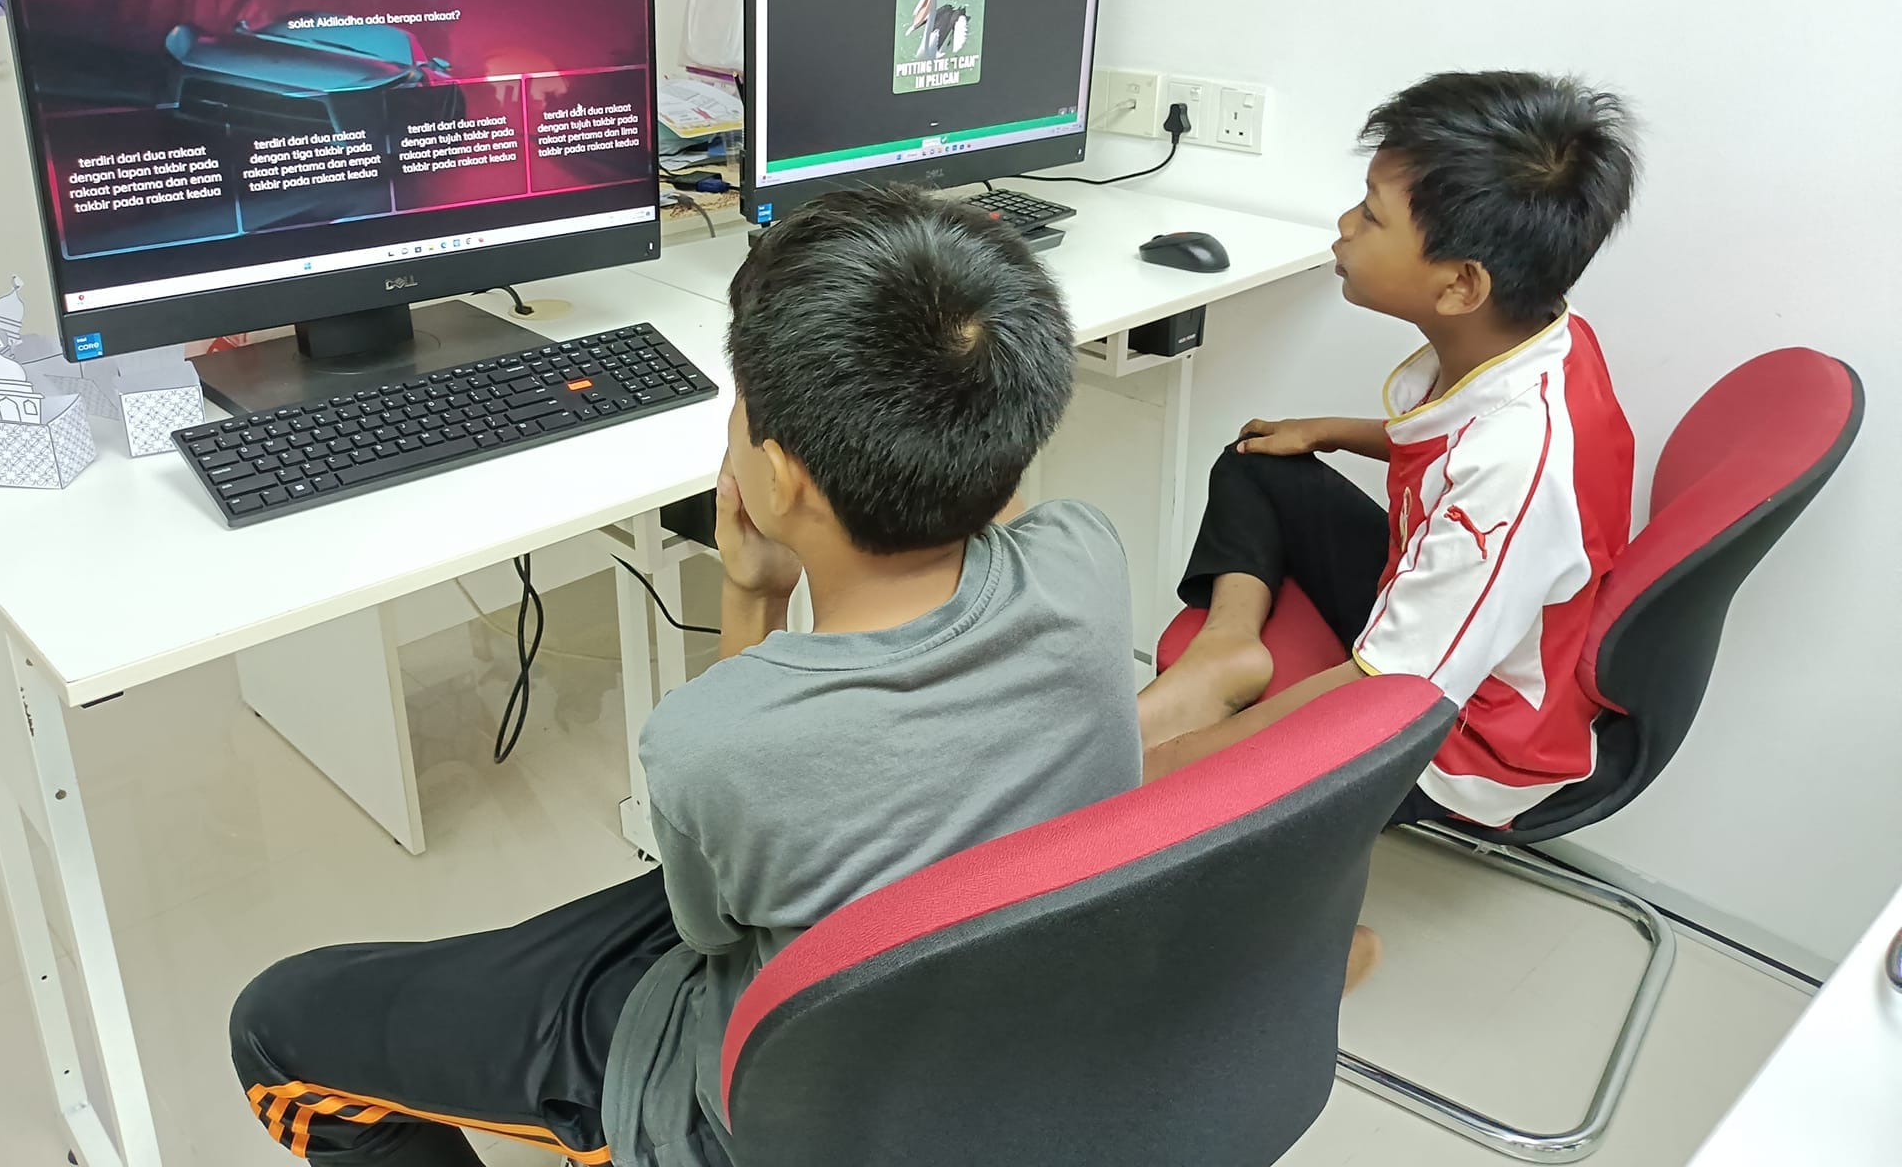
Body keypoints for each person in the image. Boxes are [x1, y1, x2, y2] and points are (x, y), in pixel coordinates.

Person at [229, 186, 1141, 1166]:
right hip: (1000, 1036)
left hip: (745, 1109)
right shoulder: (1086, 556)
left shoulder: (712, 744)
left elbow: (704, 930)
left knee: (277, 1024)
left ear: (779, 477)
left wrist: (750, 591)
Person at [1139, 72, 1641, 835]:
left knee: (1169, 801)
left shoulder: (1516, 465)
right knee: (1258, 458)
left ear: (1460, 285)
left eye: (1371, 216)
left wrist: (1175, 766)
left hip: (1452, 738)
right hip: (1428, 590)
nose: (1345, 224)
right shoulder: (1538, 337)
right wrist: (1333, 431)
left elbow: (1393, 691)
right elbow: (1451, 452)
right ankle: (1228, 648)